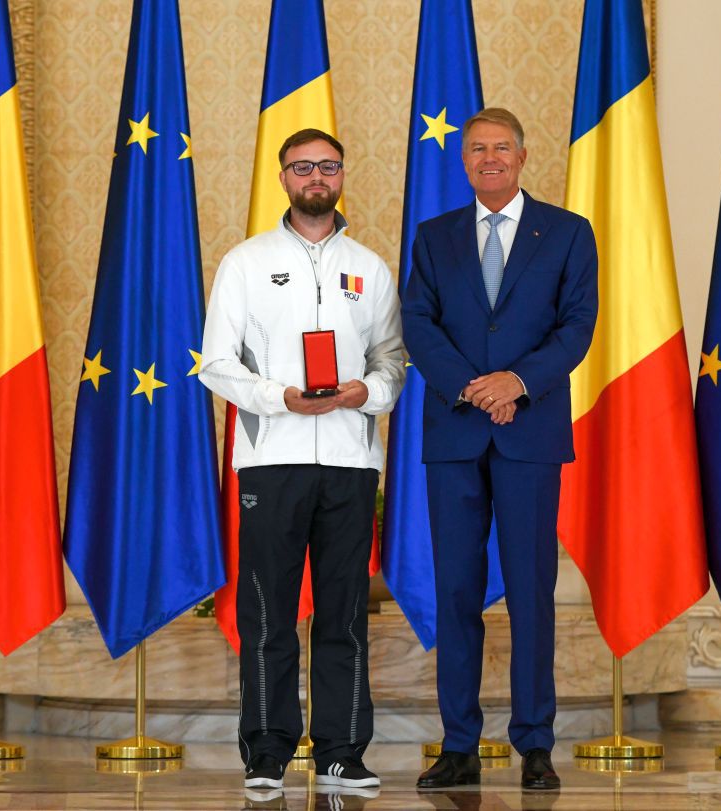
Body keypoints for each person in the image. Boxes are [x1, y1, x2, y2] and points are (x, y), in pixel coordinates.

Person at [200, 128, 405, 792]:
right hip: (271, 459)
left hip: (350, 462)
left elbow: (393, 362)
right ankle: (266, 751)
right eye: (303, 167)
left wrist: (365, 392)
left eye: (328, 166)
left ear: (341, 175)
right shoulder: (245, 263)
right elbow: (216, 364)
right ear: (283, 177)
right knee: (268, 613)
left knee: (345, 613)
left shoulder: (369, 267)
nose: (317, 176)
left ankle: (341, 751)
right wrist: (279, 398)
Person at [402, 108, 598, 791]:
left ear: (522, 156)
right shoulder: (434, 237)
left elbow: (577, 325)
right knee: (456, 591)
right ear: (464, 161)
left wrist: (517, 382)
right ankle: (459, 744)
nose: (490, 158)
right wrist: (471, 387)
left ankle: (535, 744)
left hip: (530, 432)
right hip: (455, 434)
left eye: (501, 148)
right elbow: (418, 323)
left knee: (531, 592)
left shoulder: (568, 232)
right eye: (478, 149)